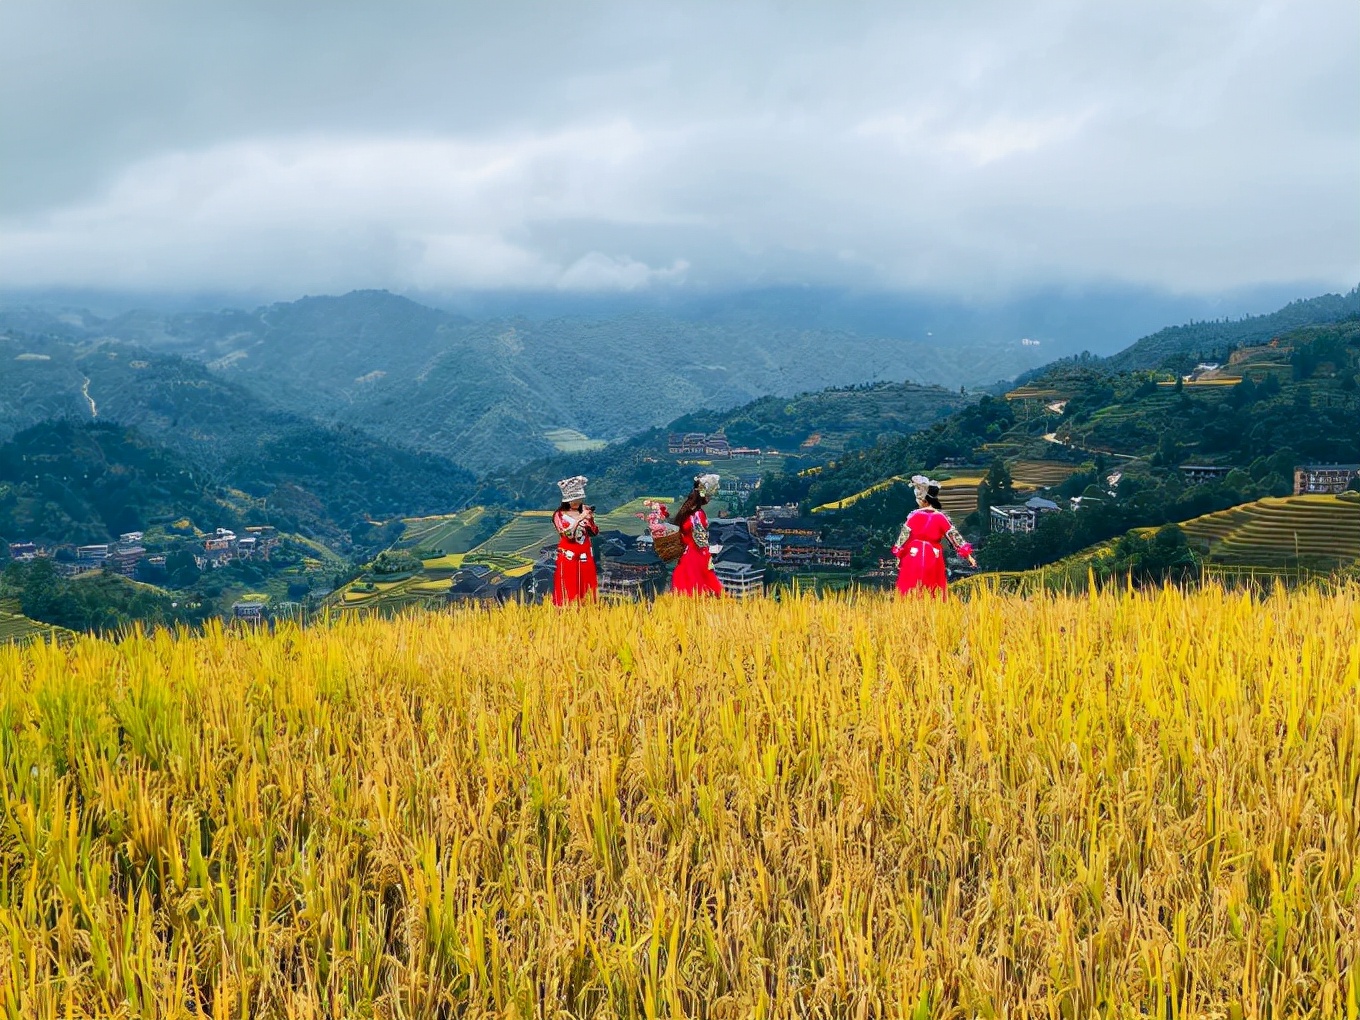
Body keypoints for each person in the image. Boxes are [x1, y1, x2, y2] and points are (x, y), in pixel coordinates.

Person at [892, 474, 976, 598]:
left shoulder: (914, 516)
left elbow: (903, 538)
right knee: (932, 588)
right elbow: (955, 538)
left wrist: (899, 556)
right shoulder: (941, 518)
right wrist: (968, 556)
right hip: (933, 555)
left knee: (912, 587)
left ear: (923, 500)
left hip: (913, 555)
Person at [669, 473, 724, 596]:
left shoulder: (685, 512)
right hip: (697, 557)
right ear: (703, 495)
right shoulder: (698, 514)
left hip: (685, 557)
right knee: (703, 593)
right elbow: (701, 541)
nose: (710, 499)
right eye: (709, 496)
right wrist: (709, 554)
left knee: (684, 595)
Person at [552, 475, 598, 605]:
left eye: (579, 499)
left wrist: (590, 518)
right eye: (574, 500)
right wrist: (578, 519)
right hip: (569, 555)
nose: (577, 503)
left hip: (585, 554)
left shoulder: (584, 511)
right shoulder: (559, 515)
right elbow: (568, 535)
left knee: (587, 584)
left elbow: (594, 532)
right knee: (569, 584)